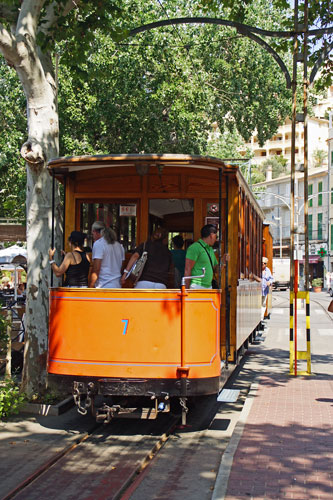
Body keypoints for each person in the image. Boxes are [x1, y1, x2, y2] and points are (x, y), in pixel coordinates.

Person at [89, 221, 124, 288]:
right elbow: (122, 265)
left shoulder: (99, 244)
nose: (93, 236)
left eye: (92, 234)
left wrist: (91, 286)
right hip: (117, 284)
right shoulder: (119, 245)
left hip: (104, 285)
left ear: (94, 231)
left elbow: (96, 269)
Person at [184, 224, 218, 289]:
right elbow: (187, 269)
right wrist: (186, 290)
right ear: (212, 235)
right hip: (196, 286)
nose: (216, 239)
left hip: (209, 287)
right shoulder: (194, 248)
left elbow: (216, 269)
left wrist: (223, 261)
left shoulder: (210, 249)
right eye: (216, 236)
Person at [261, 256, 273, 322]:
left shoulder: (267, 270)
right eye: (262, 263)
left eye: (265, 263)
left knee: (263, 304)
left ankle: (261, 318)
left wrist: (269, 282)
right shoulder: (257, 269)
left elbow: (271, 278)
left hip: (264, 290)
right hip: (258, 290)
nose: (263, 264)